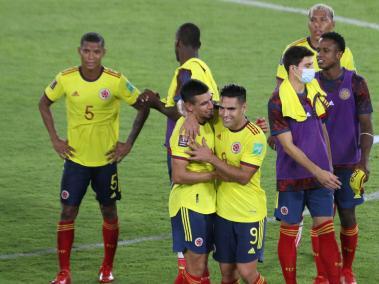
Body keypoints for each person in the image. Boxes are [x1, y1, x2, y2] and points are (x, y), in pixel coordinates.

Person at [39, 32, 151, 284]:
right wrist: (55, 138)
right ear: (79, 51)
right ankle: (64, 273)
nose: (91, 57)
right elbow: (44, 103)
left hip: (105, 162)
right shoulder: (66, 78)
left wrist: (128, 143)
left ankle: (107, 268)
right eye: (87, 51)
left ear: (104, 52)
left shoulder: (115, 80)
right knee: (68, 211)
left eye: (96, 52)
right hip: (76, 161)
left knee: (109, 211)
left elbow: (143, 106)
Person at [139, 22, 219, 278]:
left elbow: (182, 109)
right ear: (199, 45)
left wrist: (155, 104)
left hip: (186, 148)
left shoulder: (186, 71)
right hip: (206, 145)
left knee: (187, 216)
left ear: (178, 43)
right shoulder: (204, 67)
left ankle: (186, 268)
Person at [268, 46, 343, 284]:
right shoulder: (277, 100)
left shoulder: (314, 90)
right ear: (293, 69)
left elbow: (323, 129)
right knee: (289, 233)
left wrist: (328, 167)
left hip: (321, 176)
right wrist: (319, 171)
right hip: (292, 178)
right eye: (308, 66)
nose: (313, 70)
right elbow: (287, 146)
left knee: (327, 233)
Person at [187, 84, 268, 284]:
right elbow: (191, 105)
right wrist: (189, 117)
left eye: (231, 109)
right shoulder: (218, 118)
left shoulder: (255, 137)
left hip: (249, 214)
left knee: (247, 272)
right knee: (227, 274)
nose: (224, 114)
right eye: (222, 107)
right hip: (223, 214)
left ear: (244, 108)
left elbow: (243, 177)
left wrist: (211, 158)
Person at [313, 32, 373, 284]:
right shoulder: (310, 83)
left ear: (339, 55)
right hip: (319, 166)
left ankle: (346, 270)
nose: (320, 55)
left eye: (326, 50)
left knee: (348, 216)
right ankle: (322, 274)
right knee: (321, 221)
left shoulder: (356, 83)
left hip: (349, 164)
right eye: (319, 50)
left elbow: (367, 126)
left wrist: (364, 161)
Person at [169, 79, 216, 284]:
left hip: (208, 202)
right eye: (204, 103)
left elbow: (232, 109)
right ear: (190, 106)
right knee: (195, 267)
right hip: (189, 204)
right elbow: (178, 175)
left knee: (202, 265)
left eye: (210, 100)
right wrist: (214, 175)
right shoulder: (185, 132)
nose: (211, 106)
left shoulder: (208, 117)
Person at [276, 3, 355, 84]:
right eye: (313, 20)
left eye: (323, 20)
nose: (317, 24)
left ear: (333, 24)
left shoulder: (344, 52)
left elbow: (351, 86)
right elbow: (280, 85)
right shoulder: (293, 50)